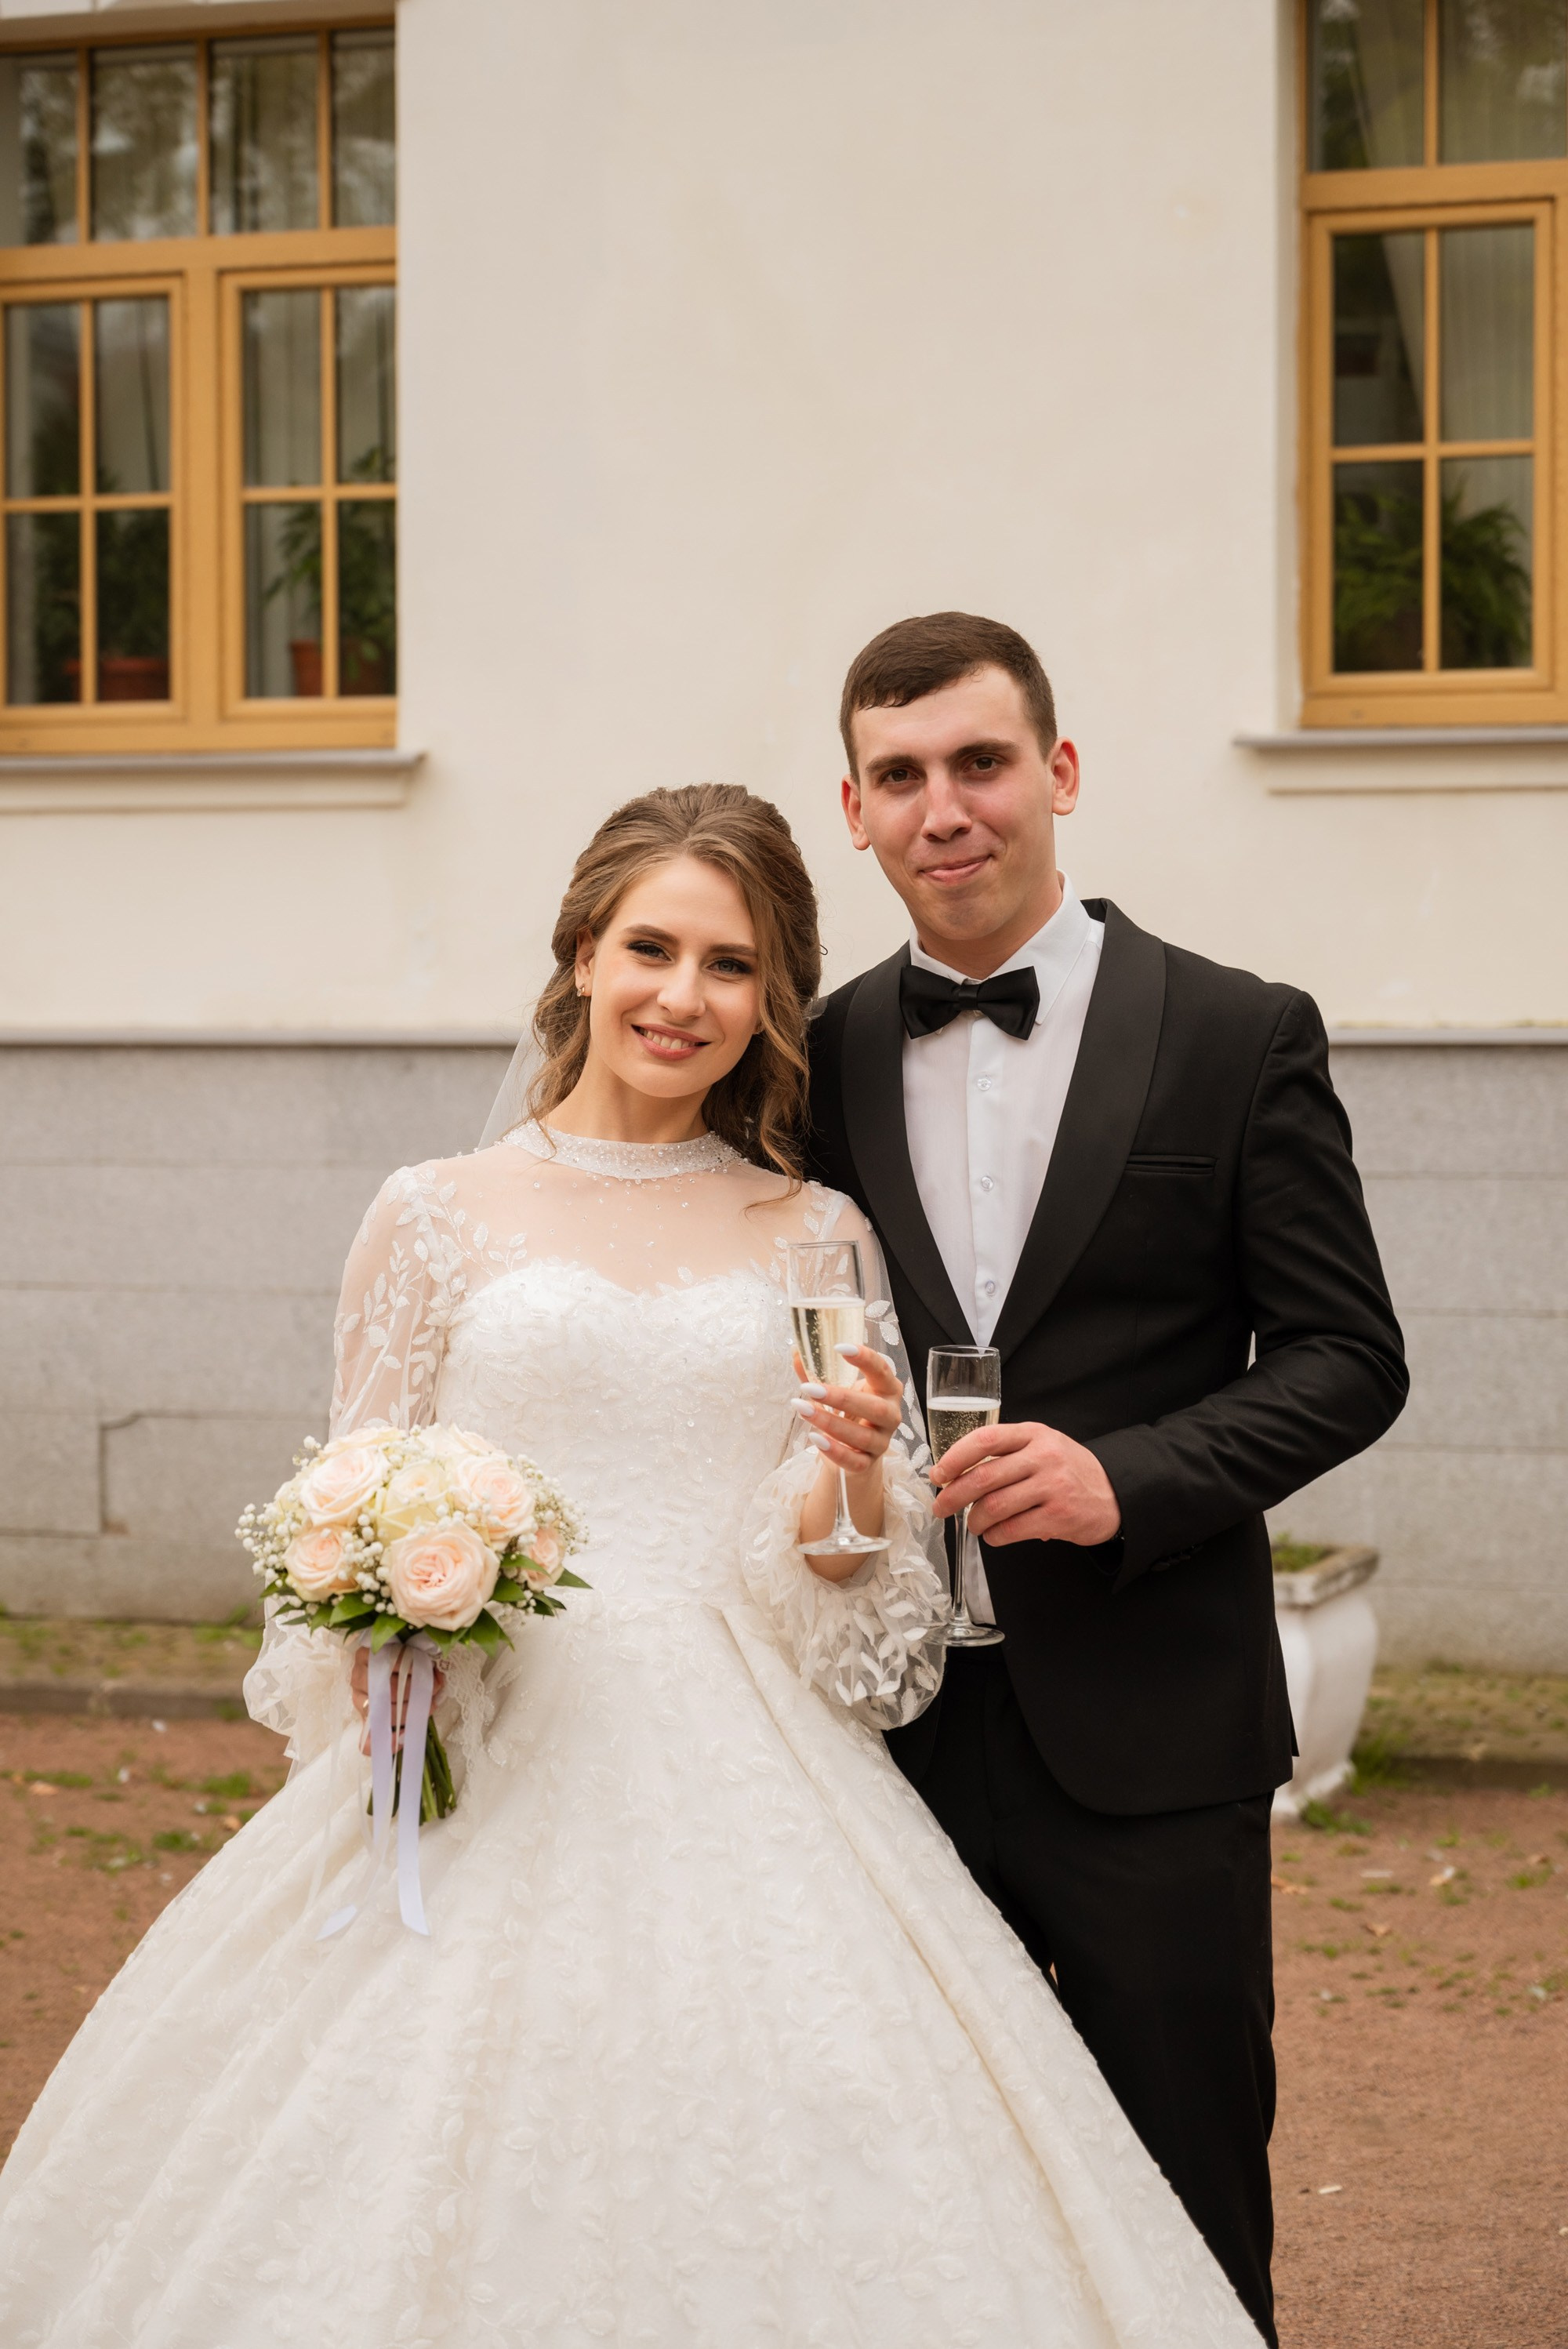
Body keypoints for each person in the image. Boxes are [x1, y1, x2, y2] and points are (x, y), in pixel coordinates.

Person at [0, 783, 1262, 2346]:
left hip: (748, 1754)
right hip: (485, 1739)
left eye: (730, 965)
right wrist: (391, 1608)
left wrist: (856, 1460)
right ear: (582, 954)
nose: (683, 995)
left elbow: (831, 1564)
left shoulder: (812, 1234)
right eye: (651, 946)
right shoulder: (431, 1216)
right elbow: (349, 1492)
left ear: (770, 1000)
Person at [806, 613, 1410, 2348]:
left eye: (981, 763)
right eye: (901, 776)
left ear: (1057, 774)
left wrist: (1130, 1475)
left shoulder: (1235, 1032)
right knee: (920, 2195)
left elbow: (1347, 1355)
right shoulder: (822, 1056)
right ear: (852, 808)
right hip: (890, 1733)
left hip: (1150, 1729)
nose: (947, 809)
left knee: (1183, 2193)